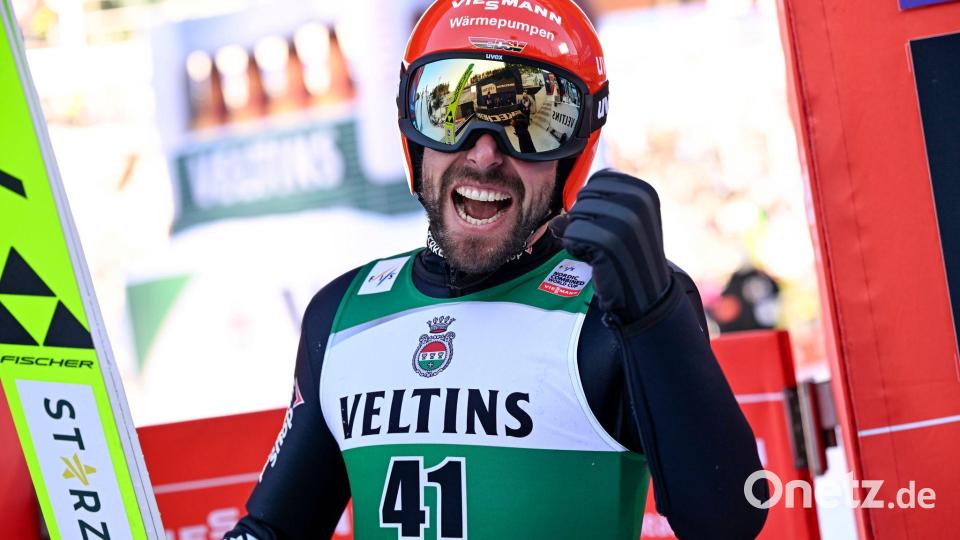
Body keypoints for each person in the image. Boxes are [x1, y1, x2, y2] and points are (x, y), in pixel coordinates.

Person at [225, 1, 767, 538]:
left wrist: (655, 311)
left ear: (574, 154)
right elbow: (273, 531)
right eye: (449, 113)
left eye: (529, 124)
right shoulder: (342, 312)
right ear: (412, 132)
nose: (484, 154)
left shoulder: (611, 304)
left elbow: (730, 518)